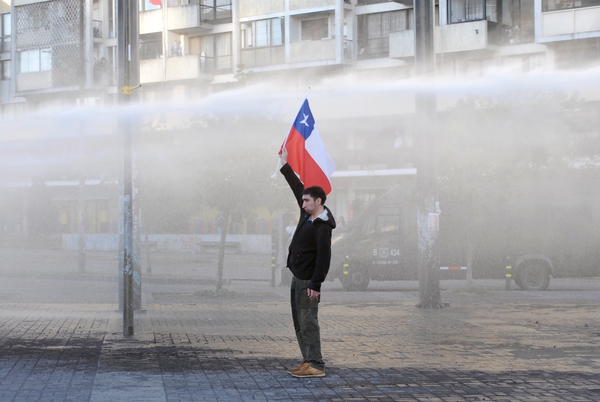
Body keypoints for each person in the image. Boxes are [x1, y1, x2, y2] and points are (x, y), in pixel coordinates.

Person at [279, 148, 336, 378]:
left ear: (318, 201)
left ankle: (316, 365)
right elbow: (296, 184)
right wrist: (284, 164)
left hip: (308, 283)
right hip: (297, 278)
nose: (302, 204)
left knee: (308, 322)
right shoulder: (308, 213)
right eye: (302, 201)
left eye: (306, 201)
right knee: (299, 322)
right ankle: (307, 359)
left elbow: (324, 258)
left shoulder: (322, 226)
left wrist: (315, 284)